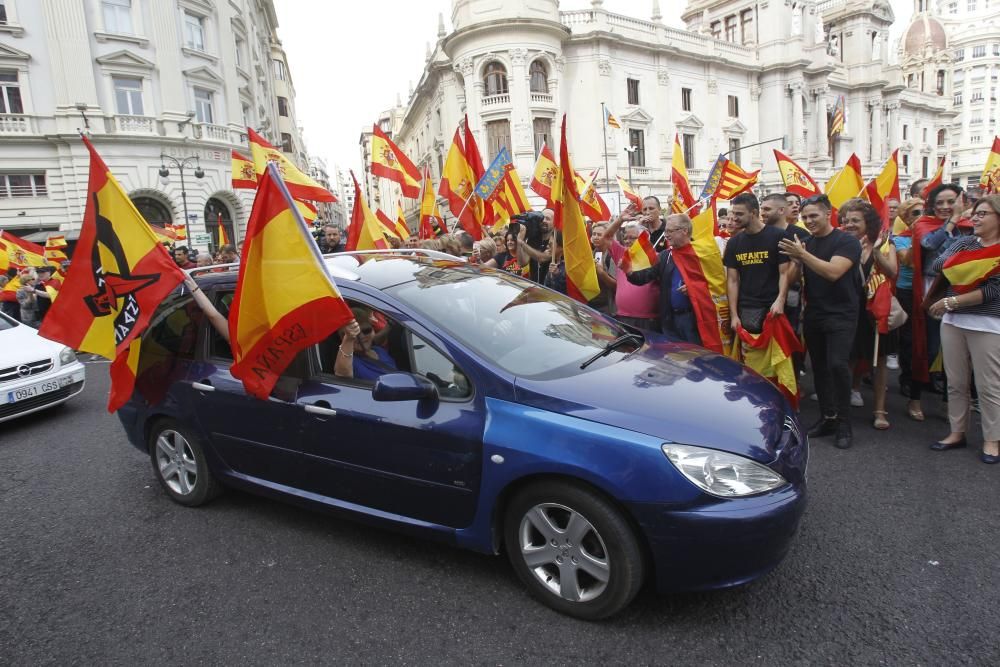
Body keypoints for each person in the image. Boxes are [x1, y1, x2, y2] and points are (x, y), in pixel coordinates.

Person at [779, 194, 862, 449]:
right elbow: (792, 278)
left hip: (842, 314)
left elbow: (833, 272)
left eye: (814, 216)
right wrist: (796, 260)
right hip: (814, 312)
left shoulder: (846, 241)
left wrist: (802, 256)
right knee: (820, 368)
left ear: (829, 214)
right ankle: (828, 417)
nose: (809, 221)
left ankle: (844, 423)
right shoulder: (805, 243)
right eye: (805, 218)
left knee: (838, 365)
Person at [927, 195, 1000, 463]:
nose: (976, 218)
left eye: (983, 214)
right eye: (976, 213)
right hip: (954, 321)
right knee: (956, 382)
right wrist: (961, 258)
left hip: (988, 323)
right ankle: (957, 432)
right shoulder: (965, 242)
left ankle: (992, 440)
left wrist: (952, 301)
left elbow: (993, 289)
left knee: (988, 385)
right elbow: (937, 265)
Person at [839, 199, 898, 430]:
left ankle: (880, 411)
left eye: (856, 220)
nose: (850, 224)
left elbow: (892, 271)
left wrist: (875, 251)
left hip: (877, 310)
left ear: (868, 222)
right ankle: (846, 399)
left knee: (880, 361)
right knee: (850, 356)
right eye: (847, 220)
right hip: (850, 309)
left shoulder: (885, 243)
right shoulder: (843, 243)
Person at [723, 192, 791, 336]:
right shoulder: (734, 243)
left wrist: (780, 300)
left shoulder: (778, 236)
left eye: (739, 214)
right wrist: (734, 315)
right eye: (733, 213)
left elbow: (784, 273)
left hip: (774, 308)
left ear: (753, 212)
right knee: (751, 356)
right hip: (747, 309)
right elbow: (732, 281)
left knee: (777, 356)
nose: (734, 218)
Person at [627, 214, 701, 344]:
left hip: (694, 319)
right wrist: (630, 273)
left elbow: (715, 285)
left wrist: (694, 288)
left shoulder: (701, 253)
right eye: (665, 231)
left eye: (669, 231)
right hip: (670, 319)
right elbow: (645, 276)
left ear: (684, 230)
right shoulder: (665, 255)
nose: (666, 235)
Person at [892, 197, 926, 419]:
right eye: (915, 213)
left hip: (934, 294)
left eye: (924, 212)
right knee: (909, 342)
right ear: (905, 218)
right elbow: (910, 261)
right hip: (907, 292)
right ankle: (909, 383)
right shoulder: (900, 239)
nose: (920, 217)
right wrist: (919, 234)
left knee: (931, 348)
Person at [602, 209, 660, 330]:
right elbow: (606, 237)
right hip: (622, 316)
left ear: (645, 238)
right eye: (625, 237)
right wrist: (620, 220)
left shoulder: (656, 257)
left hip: (648, 319)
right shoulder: (622, 253)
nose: (627, 241)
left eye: (632, 238)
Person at [334, 307, 398, 381]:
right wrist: (349, 338)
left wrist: (389, 325)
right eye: (356, 333)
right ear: (343, 337)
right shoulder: (351, 362)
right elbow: (342, 375)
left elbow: (374, 340)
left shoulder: (379, 350)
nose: (361, 336)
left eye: (366, 330)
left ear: (373, 329)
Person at [590, 222, 617, 315]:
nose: (596, 237)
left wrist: (602, 274)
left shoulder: (612, 256)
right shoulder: (592, 253)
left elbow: (617, 286)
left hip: (608, 308)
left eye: (599, 235)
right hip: (593, 305)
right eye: (594, 234)